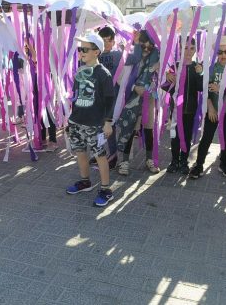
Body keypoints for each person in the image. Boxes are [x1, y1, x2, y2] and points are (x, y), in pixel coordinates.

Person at [66, 32, 115, 207]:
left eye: (85, 49)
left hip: (95, 124)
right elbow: (76, 96)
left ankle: (106, 189)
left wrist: (108, 122)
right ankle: (85, 181)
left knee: (100, 156)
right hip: (77, 121)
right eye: (80, 50)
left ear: (97, 51)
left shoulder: (104, 74)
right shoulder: (80, 70)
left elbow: (110, 100)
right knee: (80, 152)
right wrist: (71, 120)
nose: (81, 53)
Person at [189, 35, 226, 179]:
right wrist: (210, 107)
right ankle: (199, 165)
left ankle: (224, 163)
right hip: (213, 110)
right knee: (206, 138)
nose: (223, 55)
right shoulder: (211, 67)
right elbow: (205, 89)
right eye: (220, 52)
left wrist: (221, 89)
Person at [116, 30, 160, 176]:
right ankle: (125, 162)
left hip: (149, 99)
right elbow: (119, 77)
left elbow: (164, 75)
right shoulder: (130, 57)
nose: (146, 49)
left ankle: (149, 159)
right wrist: (135, 87)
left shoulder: (157, 59)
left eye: (150, 47)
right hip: (132, 100)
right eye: (143, 46)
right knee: (130, 129)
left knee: (148, 129)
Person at [164, 38, 203, 175]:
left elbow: (200, 87)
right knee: (175, 136)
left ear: (195, 50)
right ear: (180, 48)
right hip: (175, 110)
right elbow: (165, 86)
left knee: (186, 135)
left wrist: (200, 74)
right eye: (185, 48)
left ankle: (184, 161)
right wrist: (167, 75)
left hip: (190, 109)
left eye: (192, 48)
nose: (188, 51)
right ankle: (174, 160)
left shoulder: (197, 67)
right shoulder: (175, 66)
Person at [97, 26, 122, 168]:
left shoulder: (118, 55)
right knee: (100, 128)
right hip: (99, 99)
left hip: (115, 99)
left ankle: (113, 155)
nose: (106, 44)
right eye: (103, 41)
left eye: (109, 41)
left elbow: (135, 59)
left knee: (111, 127)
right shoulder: (96, 54)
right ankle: (100, 154)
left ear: (113, 41)